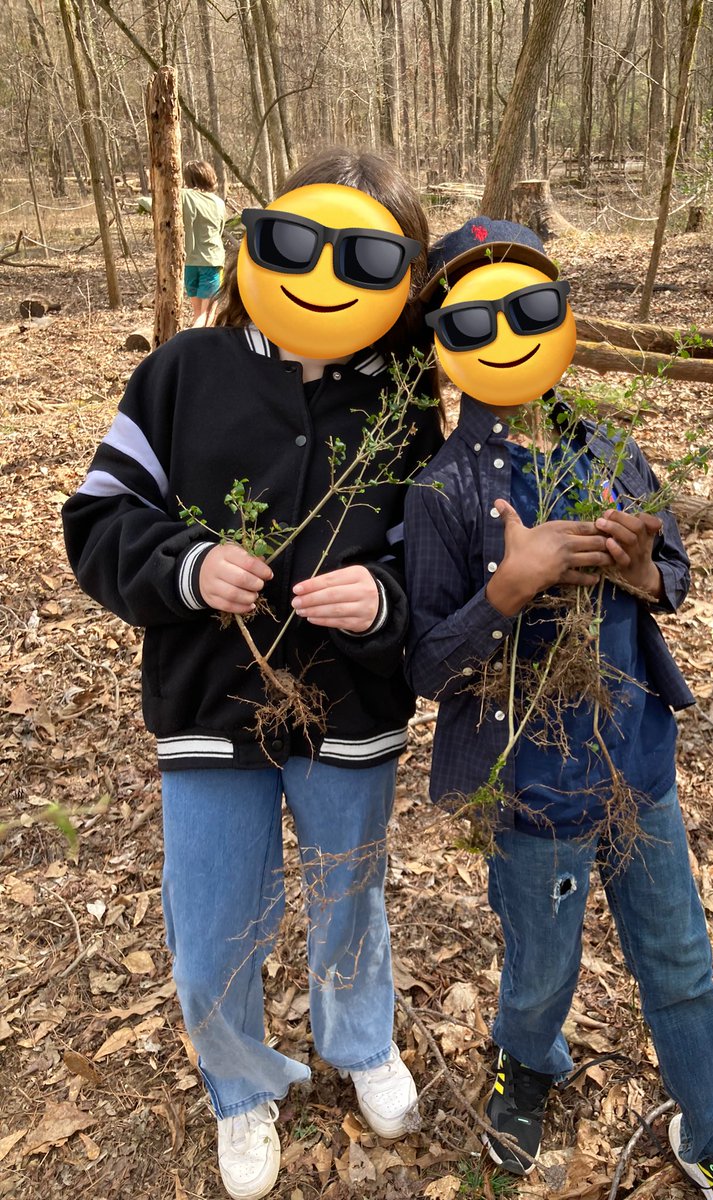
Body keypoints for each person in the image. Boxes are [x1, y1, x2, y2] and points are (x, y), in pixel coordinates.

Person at [62, 149, 442, 1200]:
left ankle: (359, 1040)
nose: (330, 277)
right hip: (208, 703)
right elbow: (97, 519)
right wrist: (183, 565)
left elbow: (432, 556)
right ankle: (241, 1086)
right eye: (305, 245)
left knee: (348, 891)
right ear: (263, 242)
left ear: (401, 278)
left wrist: (387, 600)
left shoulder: (403, 398)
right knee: (215, 913)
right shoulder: (185, 370)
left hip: (352, 708)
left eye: (369, 256)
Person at [403, 217, 713, 1200]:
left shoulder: (610, 447)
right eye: (473, 320)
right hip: (528, 795)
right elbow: (428, 669)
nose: (507, 338)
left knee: (680, 961)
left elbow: (678, 579)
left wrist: (649, 567)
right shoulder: (441, 493)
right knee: (539, 973)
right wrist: (507, 589)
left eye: (530, 309)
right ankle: (526, 1065)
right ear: (442, 344)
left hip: (637, 770)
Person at [181, 159, 226, 326]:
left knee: (198, 313)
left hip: (190, 262)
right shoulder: (218, 203)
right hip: (212, 261)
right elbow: (220, 230)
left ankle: (193, 343)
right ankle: (191, 346)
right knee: (208, 315)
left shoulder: (182, 196)